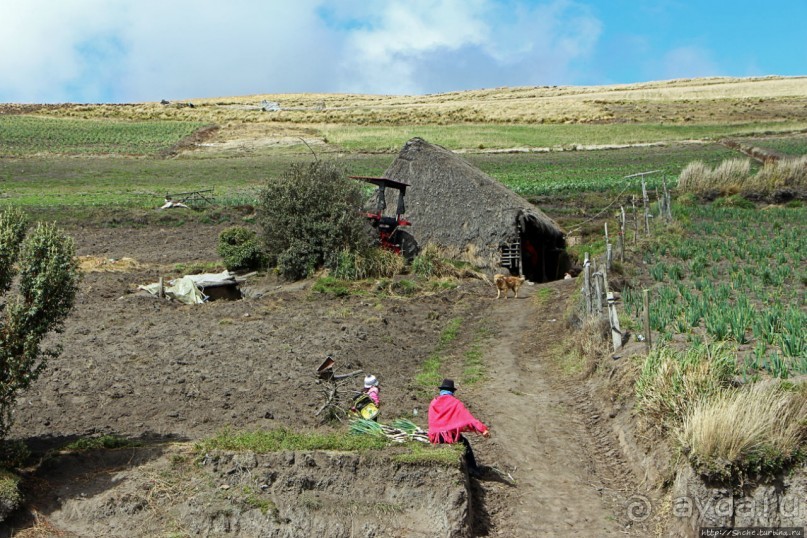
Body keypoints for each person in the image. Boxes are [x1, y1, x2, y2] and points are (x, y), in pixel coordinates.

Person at [427, 379, 490, 477]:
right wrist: (483, 429)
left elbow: (432, 422)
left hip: (435, 437)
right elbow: (469, 418)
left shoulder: (433, 402)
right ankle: (473, 469)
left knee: (461, 440)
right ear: (452, 391)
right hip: (448, 437)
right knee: (465, 443)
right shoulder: (455, 402)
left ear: (441, 390)